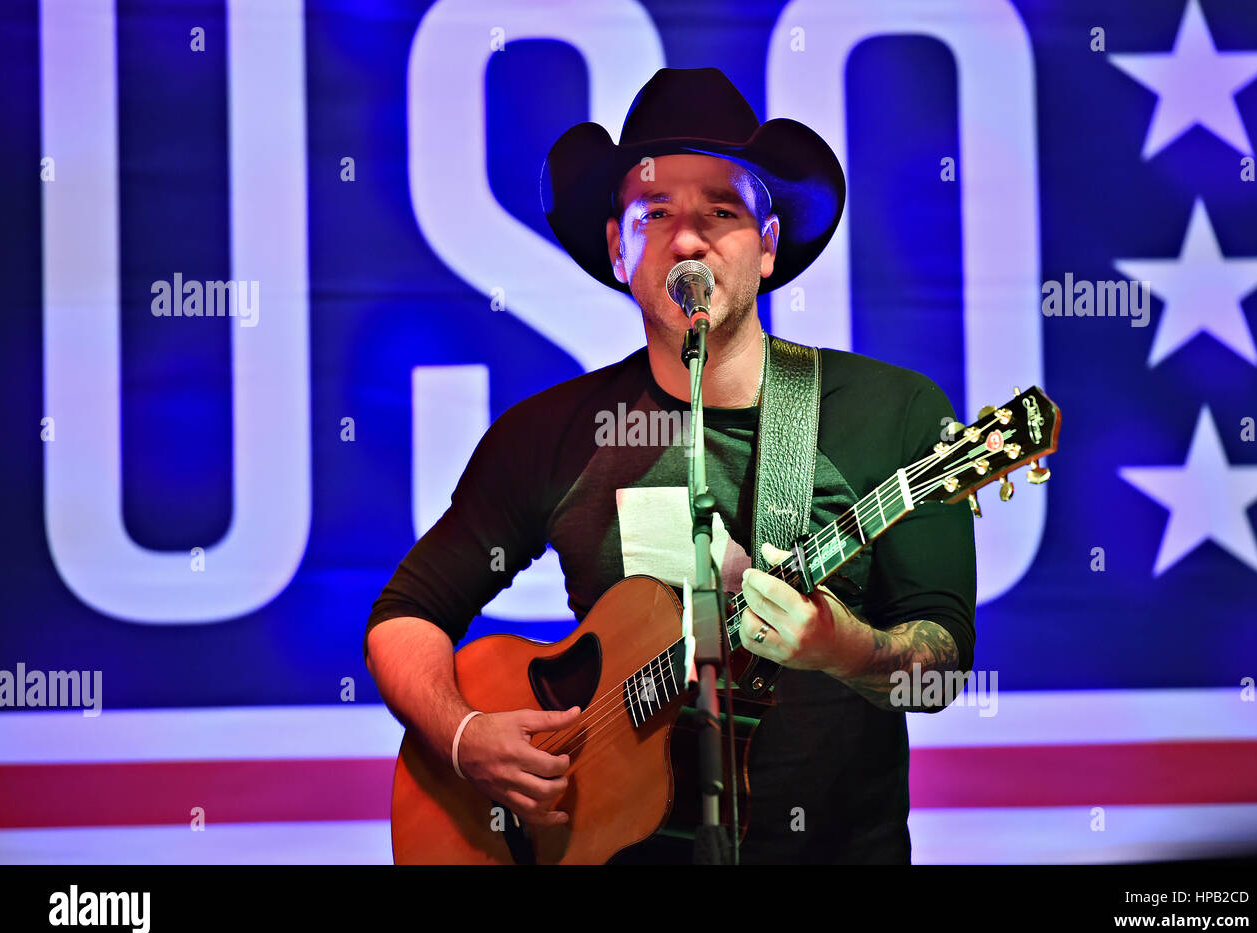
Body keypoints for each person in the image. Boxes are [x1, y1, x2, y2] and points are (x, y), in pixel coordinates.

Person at [365, 67, 975, 864]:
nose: (688, 238)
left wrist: (845, 648)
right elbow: (404, 615)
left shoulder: (890, 411)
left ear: (767, 247)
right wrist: (465, 733)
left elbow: (942, 668)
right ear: (620, 249)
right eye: (656, 212)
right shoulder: (548, 435)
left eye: (721, 211)